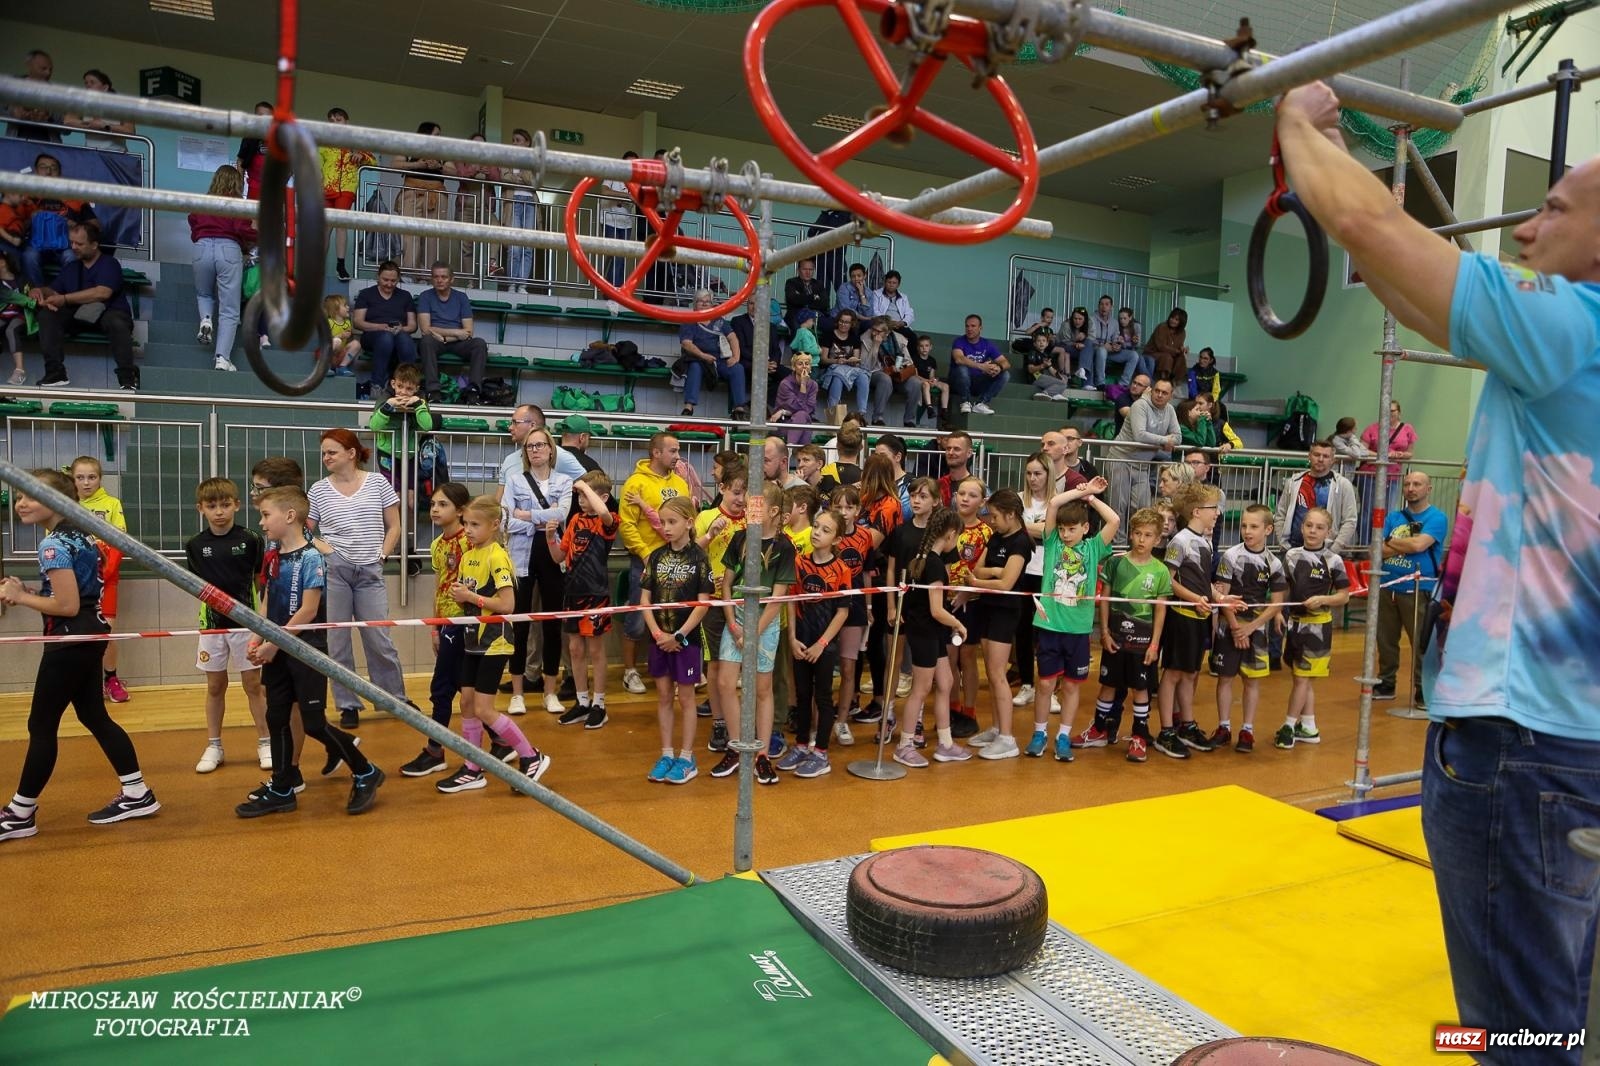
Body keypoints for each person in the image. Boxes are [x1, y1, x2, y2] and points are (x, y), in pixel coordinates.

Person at [1284, 80, 1600, 1048]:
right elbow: (1395, 271)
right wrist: (1325, 185)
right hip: (1577, 740)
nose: (1525, 226)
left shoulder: (1571, 328)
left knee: (1514, 1032)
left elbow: (1373, 227)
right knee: (1568, 1013)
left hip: (1523, 744)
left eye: (1552, 207)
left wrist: (1298, 129)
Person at [0, 469, 157, 841]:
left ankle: (21, 813)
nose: (20, 503)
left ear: (57, 501)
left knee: (41, 727)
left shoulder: (53, 545)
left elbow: (67, 605)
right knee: (94, 715)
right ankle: (137, 793)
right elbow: (76, 595)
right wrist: (30, 589)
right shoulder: (79, 536)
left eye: (29, 495)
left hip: (71, 642)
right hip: (89, 635)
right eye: (19, 495)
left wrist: (20, 597)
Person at [235, 486, 383, 818]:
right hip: (278, 648)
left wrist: (274, 643)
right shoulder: (273, 553)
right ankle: (282, 787)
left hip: (306, 650)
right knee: (276, 716)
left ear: (290, 516)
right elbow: (267, 601)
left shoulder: (313, 557)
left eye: (265, 514)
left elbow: (309, 609)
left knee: (314, 723)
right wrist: (259, 636)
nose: (261, 522)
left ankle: (366, 771)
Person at [432, 495, 550, 795]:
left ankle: (531, 756)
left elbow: (508, 604)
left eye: (475, 524)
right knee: (467, 704)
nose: (468, 530)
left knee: (484, 709)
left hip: (494, 642)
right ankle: (473, 768)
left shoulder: (497, 555)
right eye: (466, 524)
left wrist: (471, 598)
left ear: (494, 525)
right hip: (472, 640)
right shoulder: (470, 555)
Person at [307, 429, 407, 730]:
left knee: (379, 638)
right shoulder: (318, 490)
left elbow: (395, 525)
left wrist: (382, 555)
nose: (326, 457)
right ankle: (348, 704)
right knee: (338, 642)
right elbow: (305, 530)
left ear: (351, 453)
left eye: (332, 452)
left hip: (370, 570)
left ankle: (394, 699)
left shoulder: (378, 482)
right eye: (323, 452)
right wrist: (330, 552)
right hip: (335, 571)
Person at [1026, 478, 1119, 761]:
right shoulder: (1053, 541)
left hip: (1078, 631)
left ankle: (1063, 735)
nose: (1065, 534)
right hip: (1049, 626)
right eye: (1063, 529)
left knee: (1071, 686)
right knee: (1044, 684)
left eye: (1072, 529)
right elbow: (1054, 503)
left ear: (1085, 528)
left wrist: (1090, 498)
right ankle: (1039, 733)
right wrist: (1081, 490)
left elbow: (1113, 519)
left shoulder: (1093, 548)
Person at [186, 478, 270, 775]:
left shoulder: (251, 539)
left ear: (237, 504)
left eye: (225, 505)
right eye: (211, 506)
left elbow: (262, 580)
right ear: (201, 509)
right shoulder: (195, 545)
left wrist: (260, 620)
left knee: (253, 684)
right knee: (215, 685)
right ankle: (214, 745)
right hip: (211, 625)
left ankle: (265, 742)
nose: (219, 512)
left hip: (246, 624)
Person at [711, 483, 794, 784]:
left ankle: (761, 754)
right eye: (746, 505)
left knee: (761, 689)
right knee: (724, 682)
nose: (747, 511)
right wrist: (733, 625)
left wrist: (753, 634)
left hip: (764, 625)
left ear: (773, 511)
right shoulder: (739, 538)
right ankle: (736, 747)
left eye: (754, 506)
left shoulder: (784, 548)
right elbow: (726, 583)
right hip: (737, 621)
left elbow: (777, 599)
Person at [1081, 507, 1172, 763]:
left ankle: (1139, 736)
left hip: (1143, 644)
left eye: (1148, 535)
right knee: (1108, 684)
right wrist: (1105, 632)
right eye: (1137, 533)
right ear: (1130, 534)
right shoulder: (1116, 562)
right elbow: (1106, 599)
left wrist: (1155, 644)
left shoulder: (1160, 571)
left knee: (1140, 689)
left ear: (1157, 539)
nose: (1142, 540)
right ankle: (1099, 730)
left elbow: (1160, 611)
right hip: (1116, 639)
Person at [401, 483, 472, 778]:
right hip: (446, 624)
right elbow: (439, 586)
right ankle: (500, 741)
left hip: (465, 624)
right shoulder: (437, 544)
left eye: (442, 504)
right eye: (432, 504)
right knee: (460, 686)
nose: (434, 510)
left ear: (461, 510)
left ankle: (435, 750)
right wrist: (435, 626)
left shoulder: (470, 542)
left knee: (442, 689)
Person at [641, 497, 713, 785]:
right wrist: (658, 635)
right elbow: (645, 600)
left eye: (673, 522)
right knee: (662, 696)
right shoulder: (656, 557)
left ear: (689, 522)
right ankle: (667, 753)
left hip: (687, 641)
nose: (667, 528)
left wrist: (679, 635)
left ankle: (686, 757)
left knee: (686, 698)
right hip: (658, 640)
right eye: (663, 522)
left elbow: (703, 603)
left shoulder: (699, 558)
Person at [502, 426, 572, 716]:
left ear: (550, 449)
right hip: (522, 555)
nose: (535, 450)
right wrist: (538, 521)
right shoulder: (515, 480)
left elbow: (562, 515)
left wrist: (526, 514)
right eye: (530, 446)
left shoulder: (564, 480)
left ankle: (550, 691)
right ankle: (517, 693)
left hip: (553, 555)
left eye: (541, 445)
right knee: (519, 625)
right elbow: (506, 520)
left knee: (552, 624)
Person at [1154, 482, 1226, 760]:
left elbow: (1204, 583)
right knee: (1172, 673)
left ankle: (1187, 724)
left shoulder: (1205, 540)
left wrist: (1220, 597)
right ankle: (1166, 731)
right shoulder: (1180, 541)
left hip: (1200, 617)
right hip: (1181, 617)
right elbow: (1168, 579)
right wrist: (1194, 598)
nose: (1218, 513)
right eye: (1213, 508)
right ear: (1197, 511)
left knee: (1192, 673)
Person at [894, 507, 969, 768]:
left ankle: (945, 743)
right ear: (950, 534)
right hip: (924, 632)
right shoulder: (934, 563)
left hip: (932, 632)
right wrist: (958, 624)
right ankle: (904, 745)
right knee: (921, 688)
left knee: (946, 681)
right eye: (958, 536)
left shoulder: (923, 557)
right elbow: (937, 610)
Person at [1208, 505, 1287, 754]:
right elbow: (1221, 596)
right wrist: (1235, 628)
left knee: (1252, 681)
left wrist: (1251, 627)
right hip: (1229, 626)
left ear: (1268, 529)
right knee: (1225, 678)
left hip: (1257, 630)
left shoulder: (1273, 563)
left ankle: (1247, 730)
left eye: (1253, 526)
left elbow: (1277, 604)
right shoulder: (1230, 556)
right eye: (1244, 526)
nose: (1247, 531)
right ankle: (1223, 727)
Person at [783, 509, 853, 778]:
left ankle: (821, 752)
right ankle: (801, 745)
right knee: (801, 695)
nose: (816, 533)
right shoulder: (799, 563)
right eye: (815, 526)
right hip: (800, 640)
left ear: (836, 539)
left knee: (822, 697)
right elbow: (790, 601)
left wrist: (822, 644)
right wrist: (792, 638)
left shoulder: (842, 570)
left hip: (824, 646)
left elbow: (842, 612)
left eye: (825, 530)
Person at [28, 220, 137, 390]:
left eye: (79, 243)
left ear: (94, 245)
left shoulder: (110, 264)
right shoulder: (72, 267)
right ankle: (55, 373)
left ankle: (128, 379)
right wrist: (39, 291)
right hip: (78, 316)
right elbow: (54, 289)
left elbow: (102, 293)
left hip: (108, 313)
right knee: (47, 315)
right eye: (72, 242)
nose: (74, 247)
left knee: (116, 322)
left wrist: (64, 299)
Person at [1276, 507, 1350, 750]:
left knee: (1301, 679)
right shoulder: (1292, 556)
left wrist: (1323, 600)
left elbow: (1344, 596)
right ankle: (1308, 726)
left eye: (1319, 528)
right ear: (1301, 527)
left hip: (1318, 628)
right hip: (1295, 624)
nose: (1313, 531)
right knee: (1301, 678)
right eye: (1309, 525)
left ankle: (1288, 726)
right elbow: (1284, 587)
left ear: (1328, 532)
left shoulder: (1333, 560)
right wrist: (1277, 611)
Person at [964, 488, 1030, 760]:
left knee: (997, 673)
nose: (991, 521)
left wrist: (980, 582)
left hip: (1006, 611)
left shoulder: (1021, 542)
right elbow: (979, 568)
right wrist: (991, 572)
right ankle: (996, 727)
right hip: (988, 608)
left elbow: (1006, 583)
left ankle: (1007, 737)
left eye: (995, 516)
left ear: (1011, 515)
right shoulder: (996, 537)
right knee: (991, 673)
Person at [1374, 470, 1447, 704]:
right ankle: (1386, 682)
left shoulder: (1436, 518)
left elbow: (1419, 545)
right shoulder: (1393, 517)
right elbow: (1376, 550)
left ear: (1428, 489)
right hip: (1388, 586)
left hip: (1419, 588)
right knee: (1385, 639)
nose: (1411, 488)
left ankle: (1422, 688)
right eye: (1407, 484)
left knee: (1421, 642)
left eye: (1417, 484)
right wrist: (1402, 545)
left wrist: (1390, 543)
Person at [693, 461, 747, 749]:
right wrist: (710, 535)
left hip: (745, 601)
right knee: (715, 664)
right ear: (723, 489)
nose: (740, 499)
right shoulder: (706, 516)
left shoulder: (753, 518)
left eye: (745, 492)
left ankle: (745, 722)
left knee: (743, 666)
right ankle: (719, 723)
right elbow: (689, 552)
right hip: (713, 602)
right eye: (735, 492)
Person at [69, 456, 130, 703]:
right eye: (80, 477)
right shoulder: (64, 504)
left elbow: (120, 540)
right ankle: (80, 684)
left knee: (106, 632)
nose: (86, 483)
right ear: (72, 480)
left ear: (100, 478)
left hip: (107, 578)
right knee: (76, 634)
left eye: (91, 477)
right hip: (73, 578)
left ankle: (111, 679)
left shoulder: (112, 503)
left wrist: (104, 572)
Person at [188, 165, 257, 373]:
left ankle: (206, 320)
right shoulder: (237, 204)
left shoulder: (203, 201)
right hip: (228, 249)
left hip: (201, 248)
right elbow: (241, 229)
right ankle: (222, 358)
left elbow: (192, 220)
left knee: (204, 293)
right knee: (229, 310)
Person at [1104, 378, 1180, 520]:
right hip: (1120, 459)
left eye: (1164, 393)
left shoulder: (1170, 409)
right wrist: (1164, 440)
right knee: (1118, 508)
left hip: (1142, 465)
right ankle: (1118, 543)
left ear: (1171, 396)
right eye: (1157, 391)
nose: (1159, 395)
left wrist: (1166, 440)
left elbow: (1178, 437)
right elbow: (1140, 435)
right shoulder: (1140, 405)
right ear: (1151, 390)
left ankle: (1139, 542)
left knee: (1142, 509)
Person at [416, 261, 488, 405]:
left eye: (444, 277)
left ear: (451, 279)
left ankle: (473, 391)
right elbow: (425, 329)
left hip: (456, 343)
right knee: (426, 342)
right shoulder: (425, 296)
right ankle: (433, 392)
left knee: (479, 344)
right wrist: (455, 332)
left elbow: (468, 331)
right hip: (436, 341)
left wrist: (444, 338)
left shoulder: (461, 297)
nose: (439, 280)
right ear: (432, 279)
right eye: (436, 277)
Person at [368, 363, 435, 511]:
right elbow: (374, 426)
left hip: (410, 455)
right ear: (393, 384)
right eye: (400, 386)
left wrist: (418, 405)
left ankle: (410, 534)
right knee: (394, 498)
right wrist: (388, 406)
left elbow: (427, 425)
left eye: (409, 389)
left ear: (416, 389)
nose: (403, 392)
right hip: (387, 454)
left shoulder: (420, 400)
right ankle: (395, 534)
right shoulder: (385, 398)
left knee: (411, 499)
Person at [318, 107, 374, 283]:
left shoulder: (355, 140)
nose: (335, 123)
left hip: (347, 188)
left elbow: (373, 160)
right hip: (327, 189)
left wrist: (361, 156)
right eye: (332, 121)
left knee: (342, 226)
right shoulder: (324, 142)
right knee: (325, 228)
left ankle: (340, 265)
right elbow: (317, 164)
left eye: (339, 119)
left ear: (346, 121)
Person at [1275, 440, 1359, 552]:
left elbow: (1350, 521)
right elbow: (1280, 515)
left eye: (1325, 456)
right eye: (1316, 454)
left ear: (1333, 460)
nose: (1320, 459)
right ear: (1309, 456)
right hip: (1293, 549)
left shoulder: (1343, 485)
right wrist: (1284, 543)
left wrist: (1334, 549)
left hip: (1326, 551)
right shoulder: (1293, 482)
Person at [678, 289, 748, 419]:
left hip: (719, 360)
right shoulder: (689, 321)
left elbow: (732, 337)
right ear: (694, 304)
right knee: (695, 367)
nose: (704, 304)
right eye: (700, 301)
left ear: (712, 304)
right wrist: (703, 356)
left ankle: (739, 408)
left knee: (737, 368)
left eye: (707, 301)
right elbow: (686, 343)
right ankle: (689, 406)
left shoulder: (718, 320)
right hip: (698, 359)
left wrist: (735, 357)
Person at [352, 261, 418, 397]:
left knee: (404, 339)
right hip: (372, 335)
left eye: (393, 281)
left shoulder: (405, 296)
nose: (389, 284)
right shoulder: (366, 294)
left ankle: (408, 385)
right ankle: (377, 386)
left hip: (398, 335)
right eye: (385, 280)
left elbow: (413, 326)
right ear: (378, 277)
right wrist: (380, 327)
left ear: (398, 279)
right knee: (385, 338)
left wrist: (401, 328)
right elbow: (357, 322)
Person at [948, 313, 1010, 415]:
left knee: (1005, 374)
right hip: (959, 383)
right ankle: (965, 401)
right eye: (967, 326)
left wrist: (999, 367)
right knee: (962, 369)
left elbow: (1006, 362)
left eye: (973, 326)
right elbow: (959, 359)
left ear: (980, 328)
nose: (969, 329)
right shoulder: (959, 341)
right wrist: (981, 366)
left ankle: (981, 403)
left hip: (977, 383)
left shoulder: (987, 344)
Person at [772, 352, 819, 445]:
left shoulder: (813, 385)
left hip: (801, 422)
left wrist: (784, 411)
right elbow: (797, 407)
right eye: (800, 364)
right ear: (794, 367)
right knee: (802, 416)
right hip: (783, 423)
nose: (804, 366)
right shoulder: (785, 384)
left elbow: (809, 409)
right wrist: (803, 385)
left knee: (803, 417)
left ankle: (791, 448)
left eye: (807, 363)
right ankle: (800, 452)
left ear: (810, 367)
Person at [1084, 294, 1122, 390]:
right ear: (1098, 306)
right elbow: (1089, 338)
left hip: (1110, 350)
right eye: (1101, 304)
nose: (1103, 307)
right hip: (1095, 348)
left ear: (1111, 307)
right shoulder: (1091, 319)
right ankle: (1100, 383)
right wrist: (1103, 345)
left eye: (1106, 304)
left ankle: (1124, 384)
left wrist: (1117, 344)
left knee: (1133, 355)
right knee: (1102, 350)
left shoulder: (1114, 322)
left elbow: (1115, 338)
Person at [1144, 307, 1189, 383]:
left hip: (1170, 354)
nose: (1173, 321)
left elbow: (1179, 346)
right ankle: (1163, 380)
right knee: (1167, 357)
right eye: (1172, 318)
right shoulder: (1162, 327)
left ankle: (1175, 381)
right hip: (1152, 353)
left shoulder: (1182, 332)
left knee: (1181, 357)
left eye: (1176, 320)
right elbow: (1161, 346)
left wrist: (1183, 349)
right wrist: (1177, 351)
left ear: (1181, 322)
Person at [324, 294, 361, 376]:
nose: (348, 307)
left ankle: (342, 367)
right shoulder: (329, 322)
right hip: (326, 354)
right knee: (337, 341)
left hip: (340, 354)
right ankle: (325, 367)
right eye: (345, 305)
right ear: (336, 310)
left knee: (356, 343)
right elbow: (325, 341)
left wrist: (348, 336)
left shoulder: (347, 323)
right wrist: (340, 336)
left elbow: (347, 341)